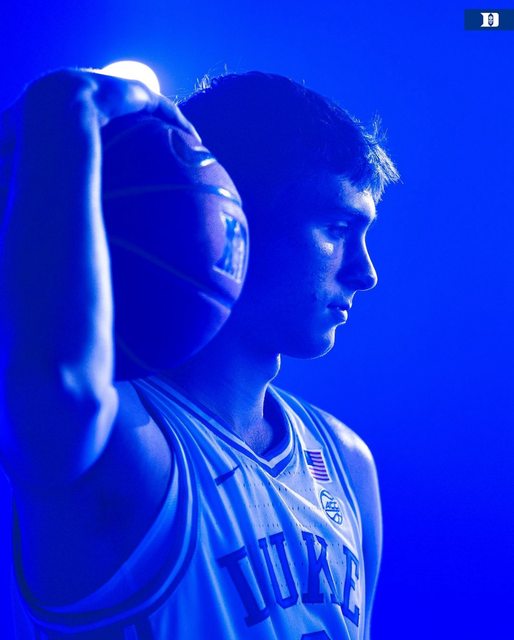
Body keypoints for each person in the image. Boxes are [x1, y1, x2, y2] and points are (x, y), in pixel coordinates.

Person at [0, 68, 398, 639]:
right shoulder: (129, 447)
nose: (366, 272)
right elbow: (55, 380)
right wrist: (65, 108)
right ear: (230, 219)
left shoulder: (345, 461)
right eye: (337, 228)